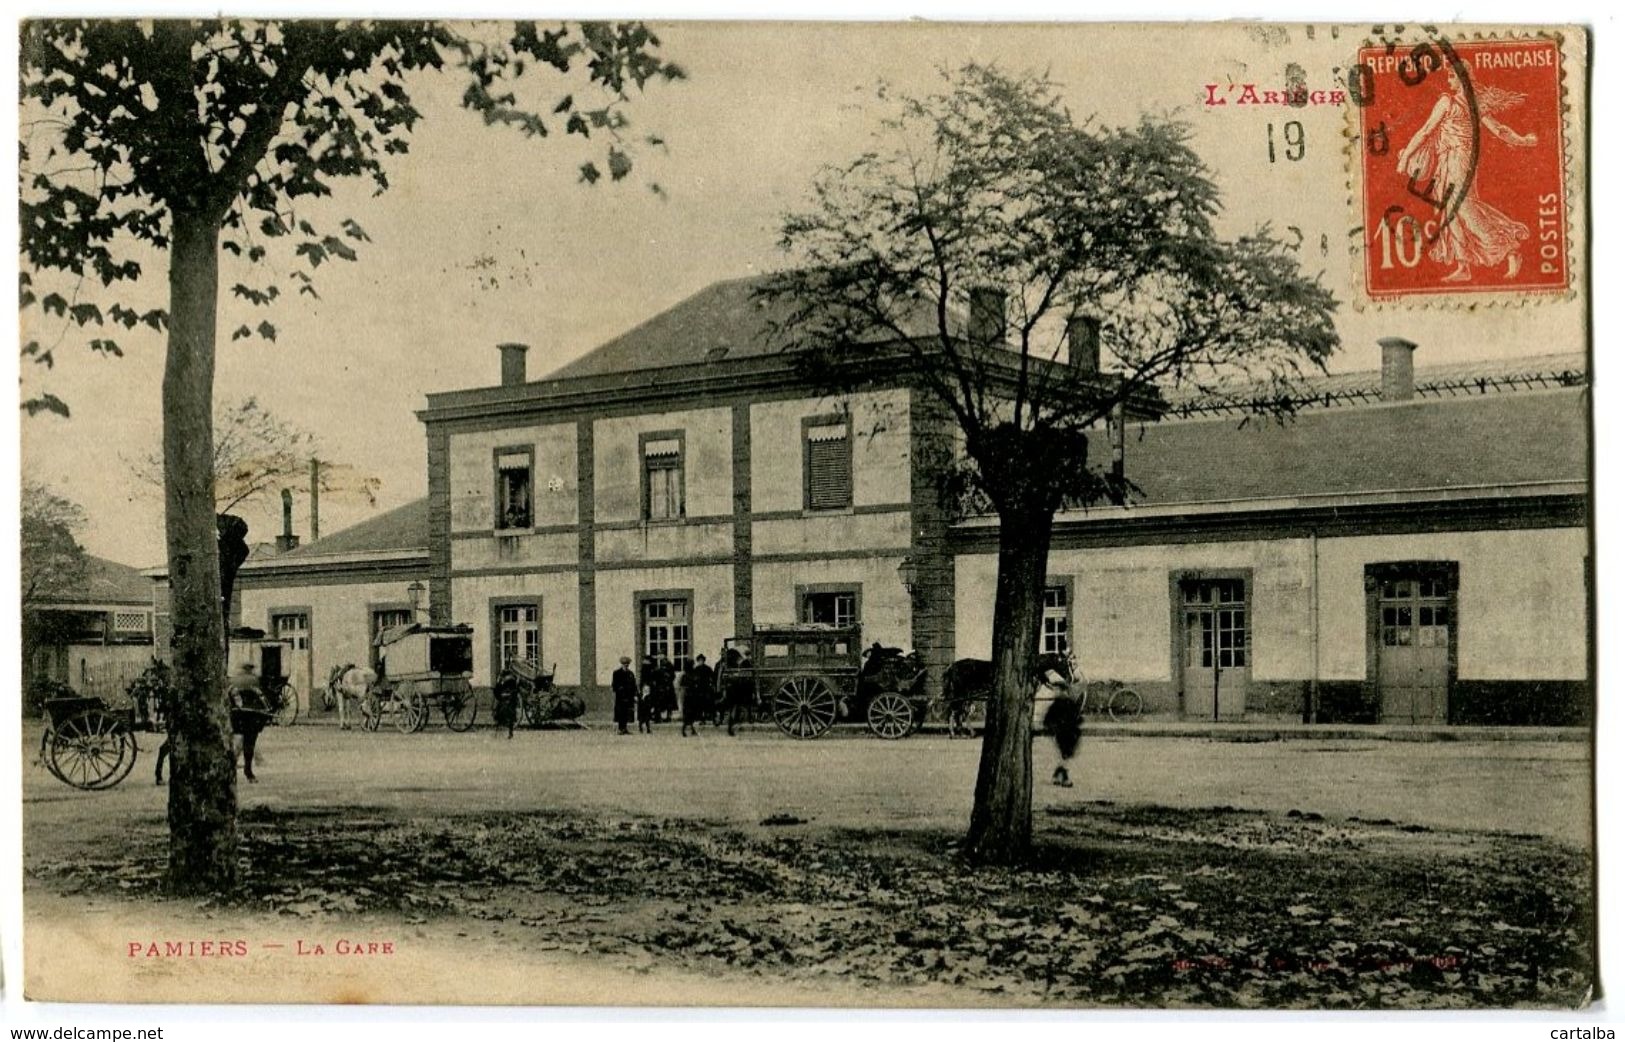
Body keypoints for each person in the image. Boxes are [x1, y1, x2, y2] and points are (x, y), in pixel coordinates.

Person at [1395, 66, 1538, 283]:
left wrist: (1406, 158)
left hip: (1459, 161)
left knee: (1465, 209)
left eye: (1452, 76)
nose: (1449, 80)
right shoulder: (1471, 104)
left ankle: (1509, 247)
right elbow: (1499, 130)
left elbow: (1426, 131)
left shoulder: (1449, 102)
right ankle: (1464, 266)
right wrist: (1522, 140)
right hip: (1450, 161)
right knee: (1451, 211)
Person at [1040, 668, 1082, 788]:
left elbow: (1077, 717)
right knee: (1064, 756)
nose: (1059, 693)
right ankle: (1064, 777)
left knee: (1064, 756)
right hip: (1062, 734)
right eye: (1058, 690)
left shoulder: (1068, 703)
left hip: (1069, 734)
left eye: (1061, 690)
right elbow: (1048, 719)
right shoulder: (1058, 704)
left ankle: (1057, 775)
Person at [228, 661, 268, 783]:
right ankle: (248, 771)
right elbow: (261, 697)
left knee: (236, 742)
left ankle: (231, 769)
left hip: (235, 715)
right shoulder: (253, 680)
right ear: (250, 669)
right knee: (249, 744)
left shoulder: (234, 680)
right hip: (250, 716)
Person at [680, 654, 715, 737]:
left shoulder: (687, 674)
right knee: (690, 714)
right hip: (692, 697)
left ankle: (691, 729)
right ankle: (685, 729)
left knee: (690, 714)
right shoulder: (692, 674)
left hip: (690, 696)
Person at [612, 655, 638, 735]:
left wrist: (635, 695)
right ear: (622, 664)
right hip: (620, 697)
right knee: (620, 712)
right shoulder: (617, 673)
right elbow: (614, 685)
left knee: (627, 713)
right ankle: (620, 728)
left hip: (629, 696)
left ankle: (625, 728)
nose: (626, 665)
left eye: (627, 664)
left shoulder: (630, 674)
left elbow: (634, 685)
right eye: (624, 664)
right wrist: (620, 690)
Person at [637, 656, 658, 734]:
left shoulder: (645, 669)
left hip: (645, 691)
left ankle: (643, 727)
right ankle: (645, 727)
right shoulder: (649, 670)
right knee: (646, 710)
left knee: (644, 710)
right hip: (646, 691)